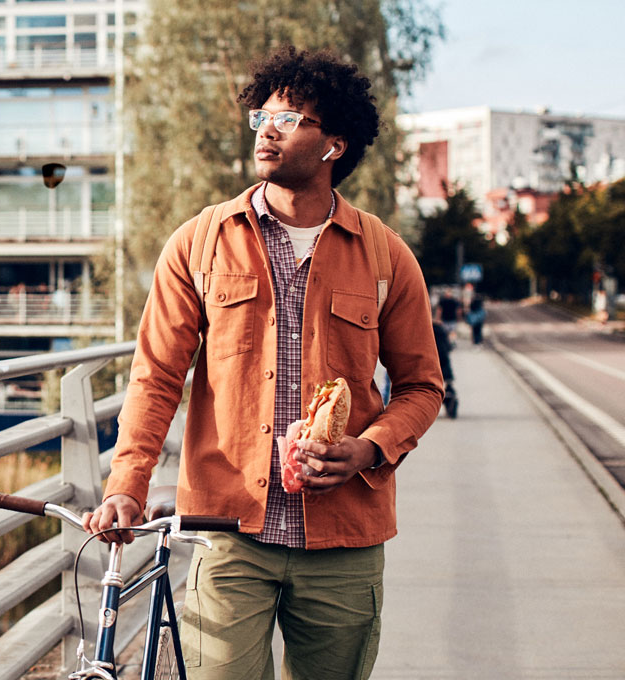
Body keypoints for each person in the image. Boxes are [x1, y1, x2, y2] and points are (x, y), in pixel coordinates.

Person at [83, 46, 445, 678]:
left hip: (344, 540)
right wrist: (127, 485)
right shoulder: (199, 242)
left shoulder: (388, 257)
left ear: (333, 145)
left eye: (288, 117)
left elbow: (421, 386)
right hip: (228, 533)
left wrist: (368, 448)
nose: (266, 129)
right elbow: (156, 378)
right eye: (262, 118)